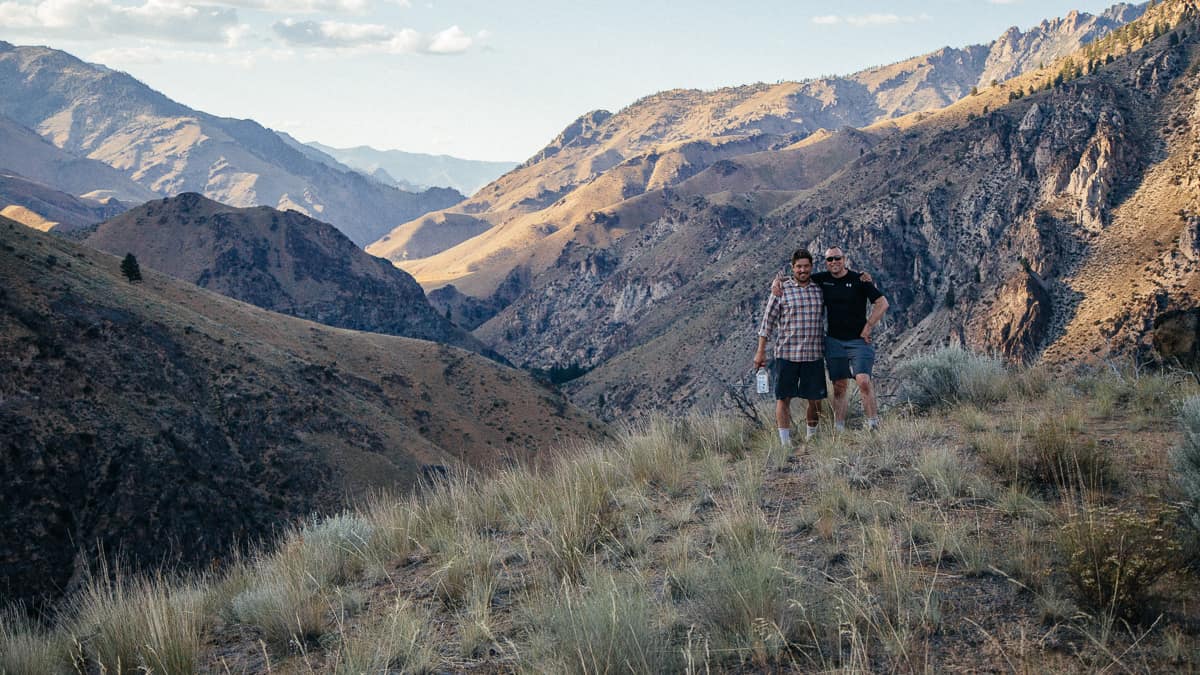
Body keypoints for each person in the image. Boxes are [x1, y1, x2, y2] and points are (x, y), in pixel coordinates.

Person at [772, 246, 889, 430]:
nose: (834, 262)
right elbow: (800, 278)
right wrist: (777, 281)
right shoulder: (822, 279)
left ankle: (873, 424)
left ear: (844, 259)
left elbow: (882, 303)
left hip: (859, 341)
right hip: (834, 341)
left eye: (837, 258)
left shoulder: (859, 279)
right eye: (829, 260)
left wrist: (868, 327)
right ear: (825, 262)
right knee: (839, 385)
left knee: (863, 381)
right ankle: (839, 428)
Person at [754, 248, 828, 446]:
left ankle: (811, 438)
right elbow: (767, 322)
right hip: (787, 353)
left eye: (806, 266)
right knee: (783, 398)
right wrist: (760, 351)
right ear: (792, 268)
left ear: (811, 267)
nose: (802, 270)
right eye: (798, 267)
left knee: (815, 399)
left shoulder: (819, 288)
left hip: (813, 354)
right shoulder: (781, 290)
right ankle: (785, 444)